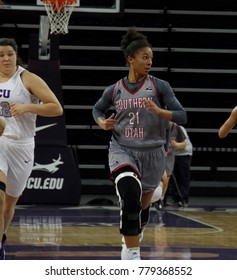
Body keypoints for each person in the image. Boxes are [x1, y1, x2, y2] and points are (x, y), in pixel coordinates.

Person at [92, 27, 187, 260]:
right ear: (130, 59)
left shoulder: (159, 86)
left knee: (142, 206)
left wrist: (160, 111)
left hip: (153, 152)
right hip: (122, 149)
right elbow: (97, 109)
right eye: (145, 57)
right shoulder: (115, 89)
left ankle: (133, 236)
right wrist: (102, 122)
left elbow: (182, 116)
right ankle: (133, 255)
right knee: (129, 195)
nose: (149, 62)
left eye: (151, 58)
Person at [0, 38, 63, 260]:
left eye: (10, 54)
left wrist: (27, 106)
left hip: (22, 145)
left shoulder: (27, 78)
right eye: (1, 55)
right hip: (1, 142)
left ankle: (2, 237)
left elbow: (56, 108)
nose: (6, 58)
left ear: (16, 56)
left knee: (8, 205)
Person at [171, 126, 193, 207]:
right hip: (173, 154)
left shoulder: (178, 129)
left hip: (184, 153)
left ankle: (184, 199)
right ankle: (176, 199)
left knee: (183, 177)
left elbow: (183, 145)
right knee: (173, 178)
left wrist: (175, 144)